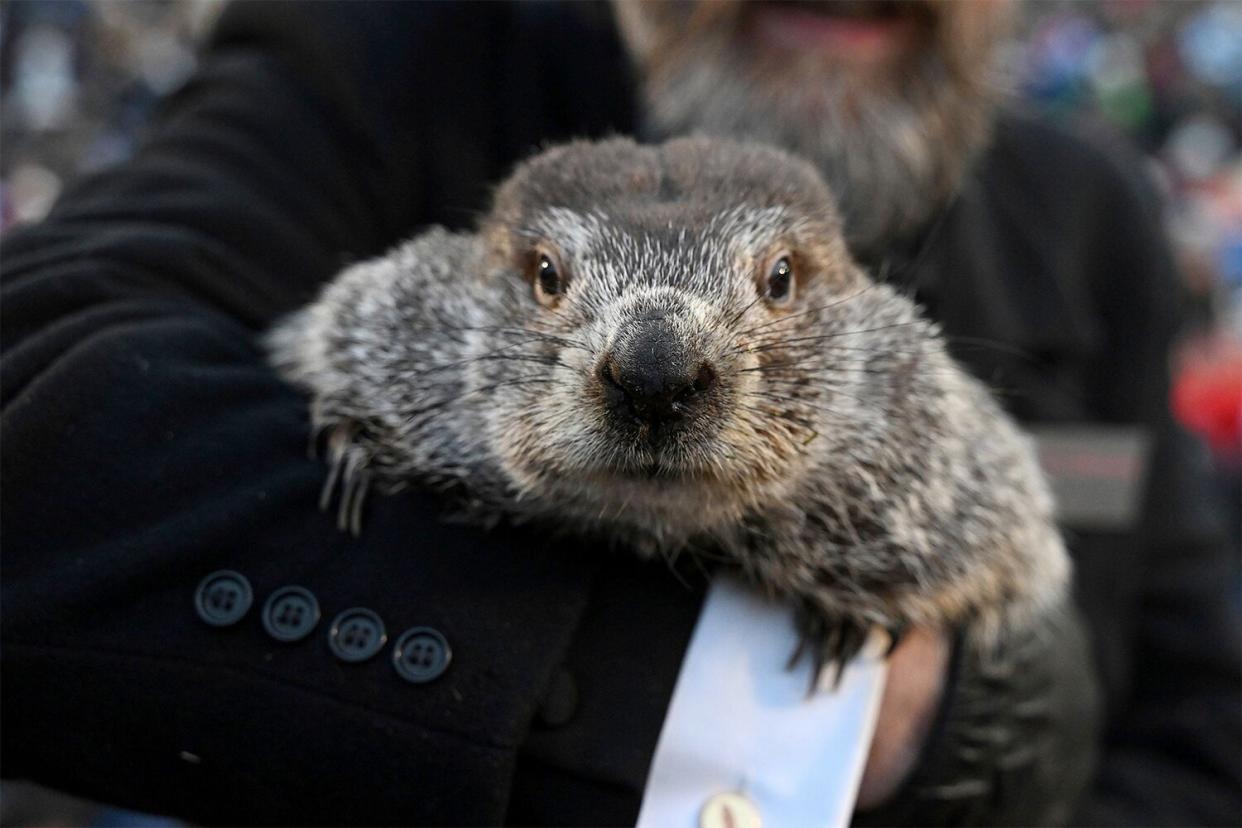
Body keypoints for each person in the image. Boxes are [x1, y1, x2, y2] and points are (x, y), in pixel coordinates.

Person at [1, 1, 1236, 825]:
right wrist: (789, 720)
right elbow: (36, 401)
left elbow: (1201, 720)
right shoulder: (391, 55)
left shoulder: (1090, 215)